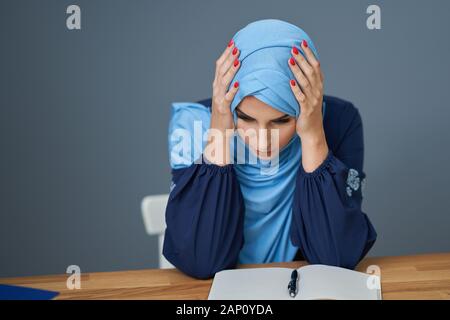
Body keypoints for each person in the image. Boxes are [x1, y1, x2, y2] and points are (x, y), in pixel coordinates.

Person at [163, 19, 377, 279]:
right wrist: (219, 130)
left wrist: (312, 137)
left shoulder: (338, 121)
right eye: (245, 117)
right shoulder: (194, 124)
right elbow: (200, 260)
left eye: (281, 120)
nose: (262, 141)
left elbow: (336, 258)